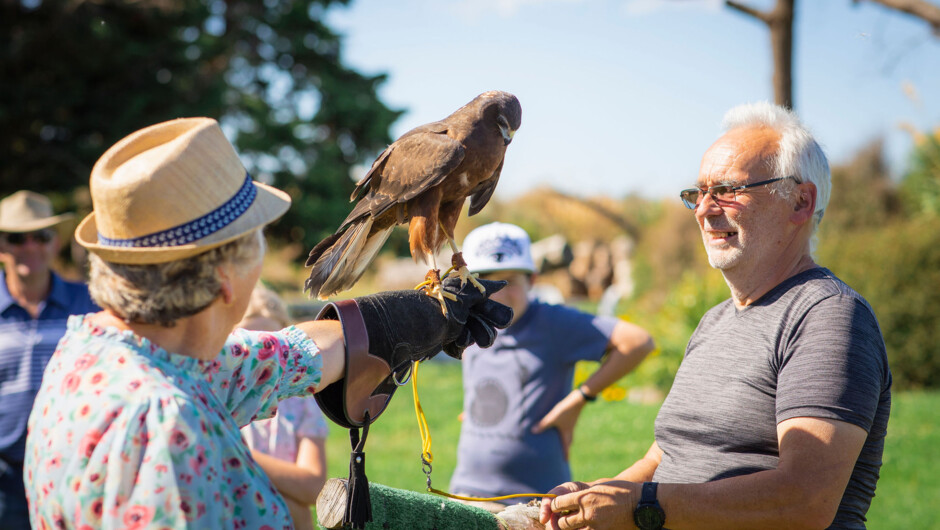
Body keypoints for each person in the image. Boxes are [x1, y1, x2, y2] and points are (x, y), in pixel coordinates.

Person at [23, 117, 512, 528]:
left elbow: (283, 359)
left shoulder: (96, 356)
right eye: (255, 243)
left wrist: (409, 318)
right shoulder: (168, 432)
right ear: (224, 281)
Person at [540, 102, 892, 530]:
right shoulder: (715, 320)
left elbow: (805, 499)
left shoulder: (828, 316)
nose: (704, 210)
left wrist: (640, 507)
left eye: (727, 190)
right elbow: (665, 456)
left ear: (800, 202)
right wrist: (598, 495)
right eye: (698, 193)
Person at [449, 222, 655, 505]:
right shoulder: (471, 323)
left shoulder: (552, 323)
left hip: (533, 500)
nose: (497, 295)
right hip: (464, 492)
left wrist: (580, 398)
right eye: (486, 283)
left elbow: (638, 342)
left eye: (509, 282)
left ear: (532, 281)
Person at [0, 191, 99, 528]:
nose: (30, 246)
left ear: (55, 243)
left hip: (76, 471)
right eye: (17, 238)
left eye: (40, 237)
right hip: (5, 475)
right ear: (2, 247)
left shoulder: (89, 301)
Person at [238, 283, 328, 530]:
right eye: (248, 354)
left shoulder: (301, 404)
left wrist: (234, 452)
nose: (261, 365)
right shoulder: (220, 400)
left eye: (271, 353)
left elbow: (313, 486)